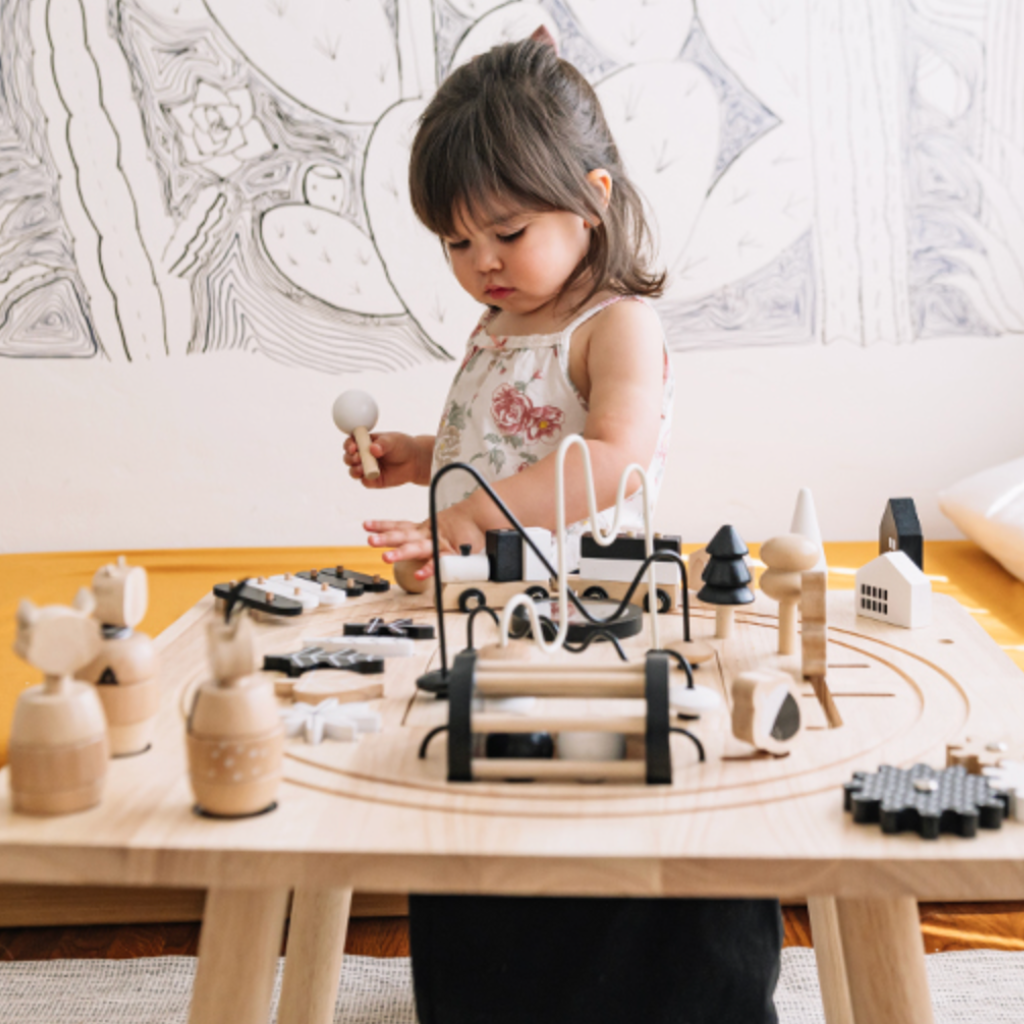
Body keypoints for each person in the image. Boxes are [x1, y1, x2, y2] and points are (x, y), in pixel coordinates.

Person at [344, 32, 782, 1024]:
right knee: (476, 787)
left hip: (590, 608)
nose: (481, 263)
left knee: (602, 797)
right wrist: (421, 453)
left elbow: (615, 456)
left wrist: (471, 511)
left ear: (590, 197)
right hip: (485, 609)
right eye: (456, 243)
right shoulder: (500, 322)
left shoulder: (613, 323)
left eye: (505, 233)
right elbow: (501, 437)